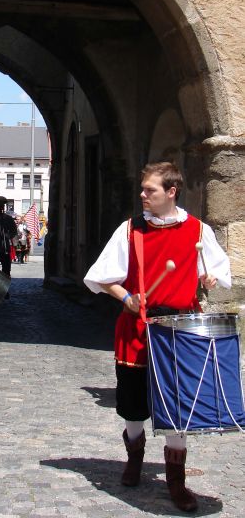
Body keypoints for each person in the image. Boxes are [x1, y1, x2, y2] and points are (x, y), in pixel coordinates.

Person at [84, 162, 231, 513]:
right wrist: (126, 298)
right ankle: (134, 457)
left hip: (181, 331)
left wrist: (209, 278)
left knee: (178, 409)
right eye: (142, 188)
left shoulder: (197, 231)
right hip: (137, 327)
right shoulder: (130, 230)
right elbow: (103, 277)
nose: (142, 195)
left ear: (171, 192)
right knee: (133, 407)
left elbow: (218, 270)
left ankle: (176, 481)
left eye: (149, 190)